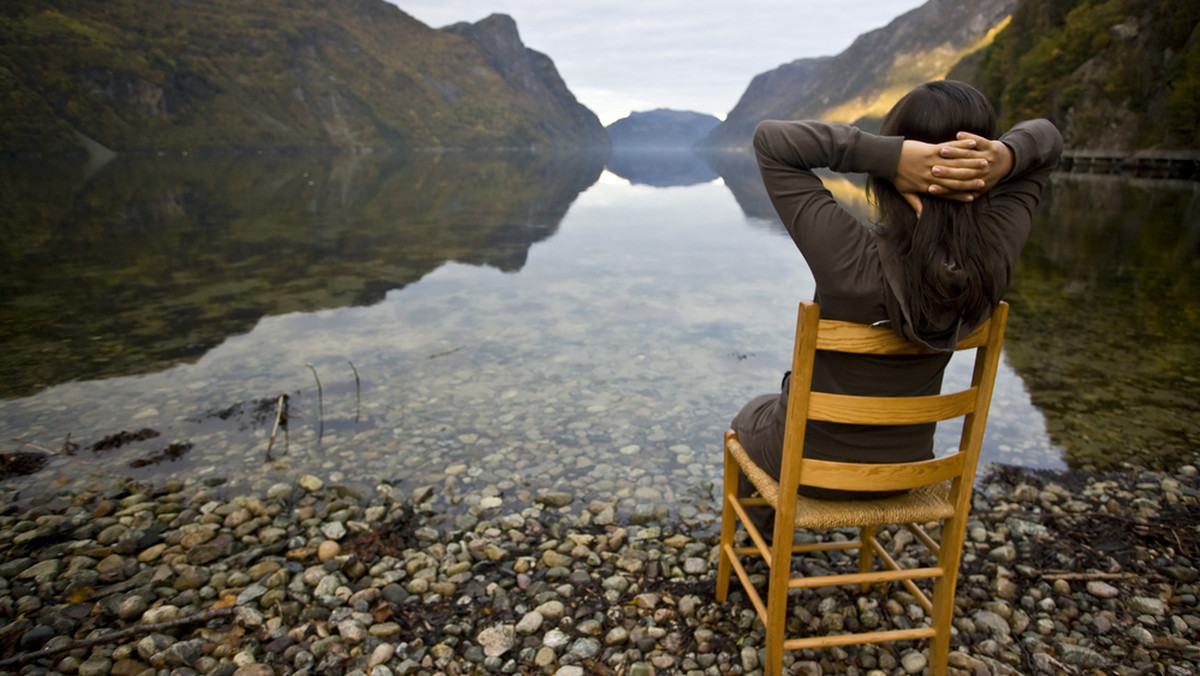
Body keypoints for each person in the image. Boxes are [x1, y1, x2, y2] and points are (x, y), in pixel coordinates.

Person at [731, 80, 1063, 532]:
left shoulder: (849, 256)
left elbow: (772, 140)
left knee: (751, 414)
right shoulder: (993, 261)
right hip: (907, 472)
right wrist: (1002, 159)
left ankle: (762, 546)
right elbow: (1046, 141)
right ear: (983, 168)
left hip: (811, 468)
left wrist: (889, 157)